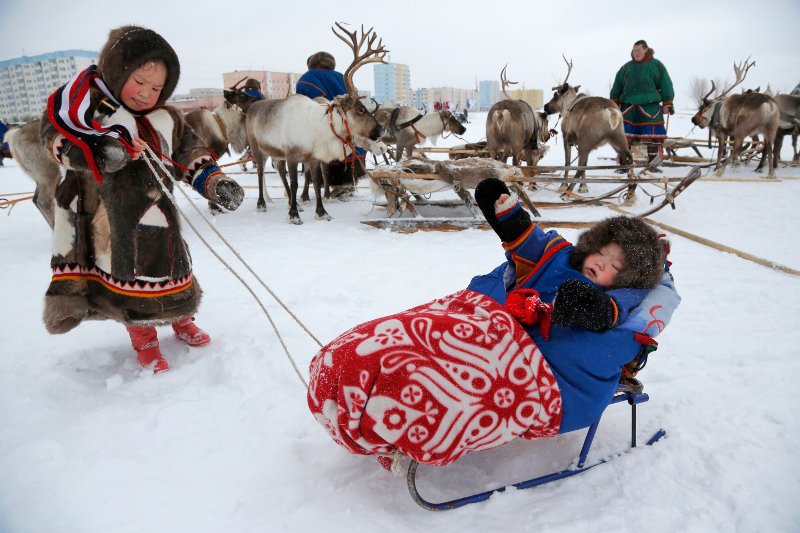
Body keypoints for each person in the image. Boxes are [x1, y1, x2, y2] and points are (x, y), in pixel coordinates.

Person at [307, 177, 679, 468]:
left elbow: (608, 315)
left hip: (535, 363)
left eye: (615, 266)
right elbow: (530, 244)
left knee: (433, 374)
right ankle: (355, 372)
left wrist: (588, 307)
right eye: (601, 253)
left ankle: (393, 410)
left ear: (627, 279)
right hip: (486, 320)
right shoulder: (560, 257)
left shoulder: (623, 298)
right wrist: (508, 216)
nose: (601, 263)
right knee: (403, 338)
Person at [40, 26, 245, 373]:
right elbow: (57, 141)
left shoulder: (166, 117)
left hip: (161, 212)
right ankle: (144, 339)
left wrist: (214, 181)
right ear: (118, 70)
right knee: (130, 279)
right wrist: (104, 151)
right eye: (139, 81)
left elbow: (189, 151)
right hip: (110, 218)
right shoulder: (85, 111)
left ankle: (182, 319)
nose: (147, 93)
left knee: (175, 269)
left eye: (157, 88)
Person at [295, 51, 364, 194]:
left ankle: (334, 185)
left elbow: (302, 103)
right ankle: (348, 183)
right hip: (349, 124)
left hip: (325, 124)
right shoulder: (342, 77)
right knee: (348, 149)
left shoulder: (307, 77)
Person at [610, 40, 675, 171]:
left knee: (652, 139)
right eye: (634, 51)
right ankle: (624, 165)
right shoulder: (626, 68)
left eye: (639, 50)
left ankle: (652, 166)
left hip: (650, 108)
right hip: (628, 108)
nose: (636, 53)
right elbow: (617, 87)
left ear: (646, 49)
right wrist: (614, 104)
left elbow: (666, 84)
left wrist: (668, 103)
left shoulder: (657, 66)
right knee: (624, 138)